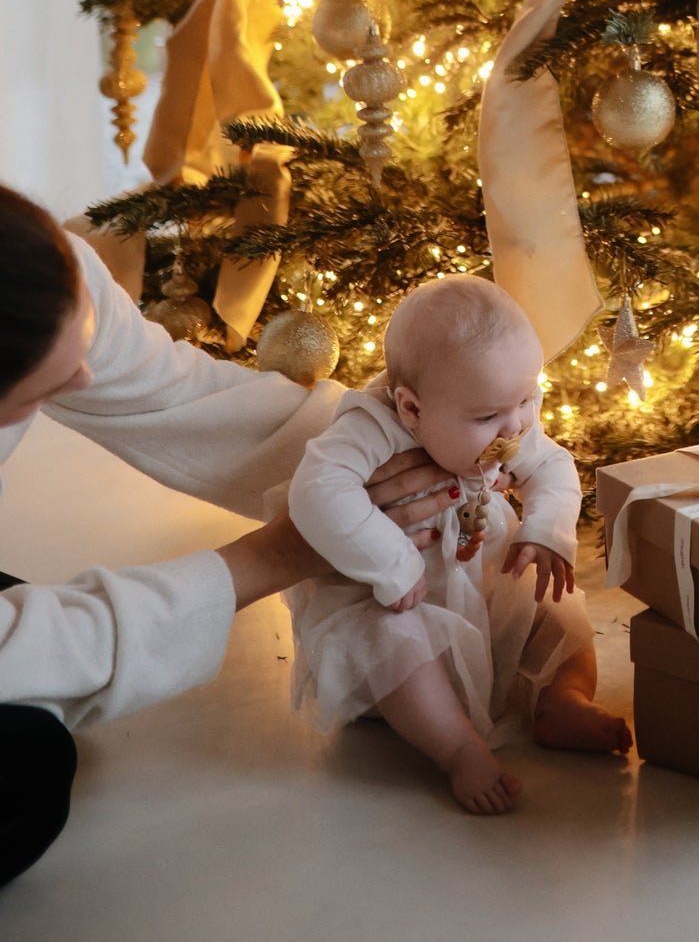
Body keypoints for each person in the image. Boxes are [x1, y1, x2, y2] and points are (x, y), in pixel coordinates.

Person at [0, 184, 455, 886]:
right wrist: (277, 553)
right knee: (26, 766)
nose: (82, 378)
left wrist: (378, 443)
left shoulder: (36, 264)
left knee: (53, 654)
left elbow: (180, 396)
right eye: (36, 392)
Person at [281, 272, 631, 817]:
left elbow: (552, 466)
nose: (514, 428)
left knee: (562, 611)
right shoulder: (370, 426)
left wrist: (546, 529)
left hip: (487, 589)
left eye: (527, 399)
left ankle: (563, 698)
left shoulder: (503, 415)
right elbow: (316, 490)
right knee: (389, 636)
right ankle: (458, 748)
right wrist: (391, 563)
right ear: (412, 409)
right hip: (397, 599)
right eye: (489, 416)